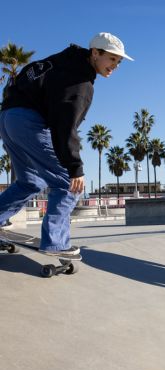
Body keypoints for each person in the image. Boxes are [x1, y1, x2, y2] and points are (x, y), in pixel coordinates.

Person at [0, 32, 133, 255]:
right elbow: (64, 126)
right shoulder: (80, 82)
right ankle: (56, 243)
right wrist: (74, 168)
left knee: (30, 181)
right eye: (111, 59)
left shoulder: (56, 61)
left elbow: (23, 78)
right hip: (28, 123)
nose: (115, 66)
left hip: (7, 118)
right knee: (68, 183)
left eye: (118, 62)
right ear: (95, 53)